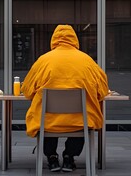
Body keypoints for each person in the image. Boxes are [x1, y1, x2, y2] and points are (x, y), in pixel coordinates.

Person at [21, 24, 109, 172]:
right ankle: (69, 157)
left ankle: (51, 157)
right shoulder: (87, 61)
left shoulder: (43, 61)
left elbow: (27, 91)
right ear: (74, 39)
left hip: (47, 122)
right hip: (80, 121)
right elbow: (103, 91)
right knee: (83, 121)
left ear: (54, 40)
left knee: (46, 121)